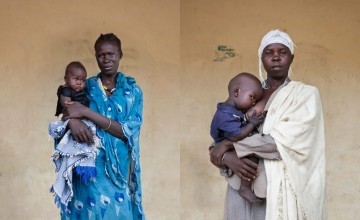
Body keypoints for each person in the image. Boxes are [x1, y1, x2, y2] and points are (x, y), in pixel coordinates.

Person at [209, 29, 326, 220]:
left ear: (291, 58)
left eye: (283, 52)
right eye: (269, 52)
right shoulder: (250, 94)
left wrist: (229, 148)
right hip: (239, 185)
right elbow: (225, 129)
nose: (276, 57)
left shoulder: (305, 95)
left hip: (278, 190)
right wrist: (226, 158)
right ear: (261, 58)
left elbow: (282, 143)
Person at [58, 33, 145, 219]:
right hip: (88, 169)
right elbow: (67, 112)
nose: (106, 59)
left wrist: (86, 112)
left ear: (120, 54)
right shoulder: (85, 86)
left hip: (119, 171)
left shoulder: (133, 92)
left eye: (110, 54)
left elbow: (126, 131)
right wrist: (74, 121)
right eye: (100, 55)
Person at [49, 61, 100, 212]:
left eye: (83, 80)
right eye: (76, 79)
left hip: (83, 121)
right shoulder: (65, 91)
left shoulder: (84, 92)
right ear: (66, 79)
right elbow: (67, 106)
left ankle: (84, 163)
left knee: (89, 141)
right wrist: (74, 113)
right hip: (72, 122)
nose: (79, 83)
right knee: (72, 142)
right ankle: (73, 163)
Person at [210, 72, 266, 204]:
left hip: (231, 145)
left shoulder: (234, 110)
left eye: (256, 101)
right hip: (229, 148)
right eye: (252, 97)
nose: (253, 103)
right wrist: (252, 123)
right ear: (237, 92)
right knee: (251, 154)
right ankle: (245, 188)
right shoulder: (225, 115)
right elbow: (237, 136)